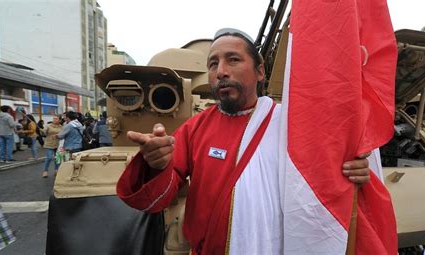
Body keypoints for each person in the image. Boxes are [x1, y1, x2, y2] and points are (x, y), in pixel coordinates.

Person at [116, 30, 372, 254]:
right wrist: (156, 165)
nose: (221, 71)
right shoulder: (196, 127)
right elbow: (157, 199)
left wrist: (354, 171)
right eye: (213, 64)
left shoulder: (291, 124)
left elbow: (326, 175)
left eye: (233, 60)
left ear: (260, 71)